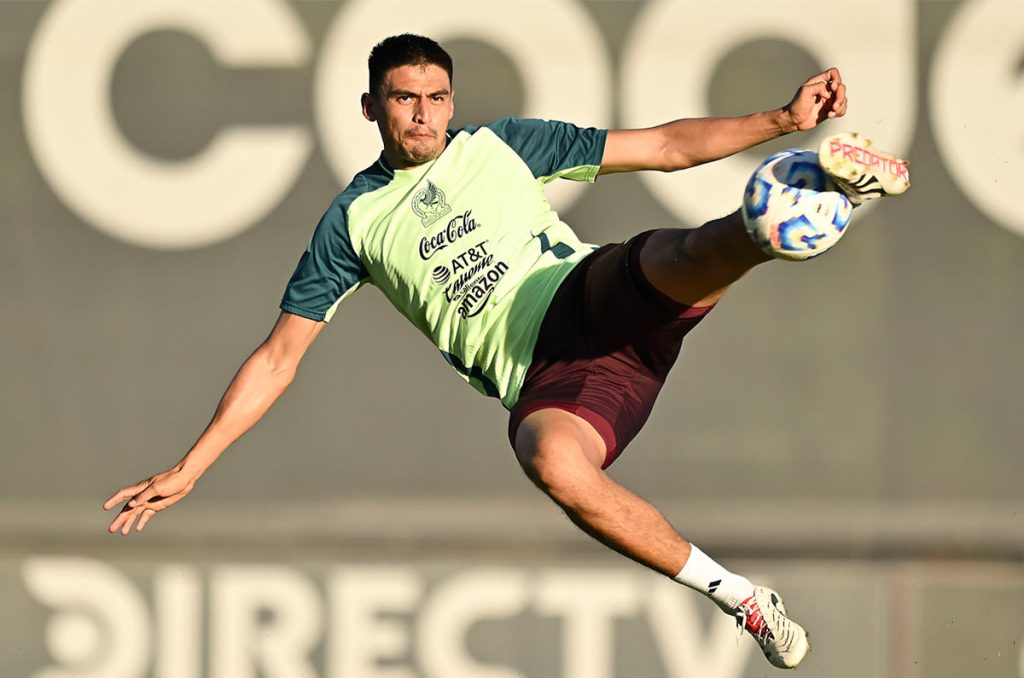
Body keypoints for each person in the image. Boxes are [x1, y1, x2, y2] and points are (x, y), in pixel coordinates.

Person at [103, 34, 908, 669]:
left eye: (436, 97)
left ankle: (802, 197)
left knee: (701, 249)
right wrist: (193, 464)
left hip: (583, 293)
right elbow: (279, 356)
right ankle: (742, 600)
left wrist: (779, 118)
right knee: (554, 466)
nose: (423, 114)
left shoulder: (502, 146)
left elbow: (663, 146)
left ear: (453, 100)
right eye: (404, 99)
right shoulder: (352, 224)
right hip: (555, 377)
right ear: (371, 107)